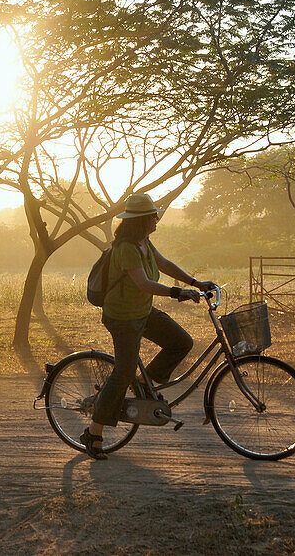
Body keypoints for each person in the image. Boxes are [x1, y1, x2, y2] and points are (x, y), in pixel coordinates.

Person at [81, 193, 217, 459]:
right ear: (142, 220)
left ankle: (143, 383)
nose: (157, 219)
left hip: (143, 312)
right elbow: (143, 284)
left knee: (181, 343)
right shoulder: (126, 249)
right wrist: (177, 293)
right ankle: (93, 432)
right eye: (153, 216)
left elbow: (164, 265)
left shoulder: (144, 243)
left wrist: (195, 283)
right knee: (122, 373)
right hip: (123, 318)